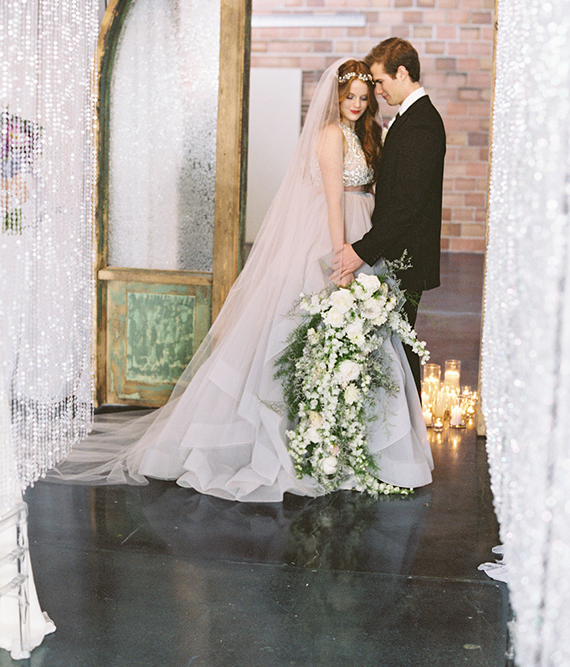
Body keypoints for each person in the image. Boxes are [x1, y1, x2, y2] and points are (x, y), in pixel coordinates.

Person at [52, 58, 433, 501]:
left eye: (364, 98)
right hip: (336, 235)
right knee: (311, 332)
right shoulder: (331, 135)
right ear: (336, 96)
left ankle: (346, 441)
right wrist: (341, 258)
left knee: (358, 338)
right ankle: (301, 438)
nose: (357, 104)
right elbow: (333, 202)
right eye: (350, 96)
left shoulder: (368, 135)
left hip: (365, 232)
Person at [339, 39, 446, 395]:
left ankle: (410, 425)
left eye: (380, 82)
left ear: (401, 73)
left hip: (406, 257)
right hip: (396, 251)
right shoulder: (408, 118)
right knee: (394, 347)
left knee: (399, 348)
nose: (377, 91)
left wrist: (362, 250)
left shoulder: (422, 124)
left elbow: (408, 205)